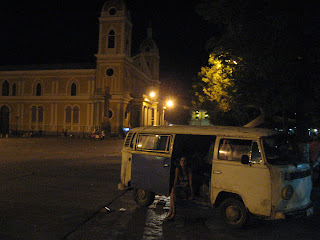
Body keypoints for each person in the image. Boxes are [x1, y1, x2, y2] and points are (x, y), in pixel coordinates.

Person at [164, 156, 194, 221]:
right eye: (181, 160)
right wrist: (174, 188)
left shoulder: (188, 170)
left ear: (186, 162)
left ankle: (172, 213)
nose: (182, 162)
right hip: (180, 188)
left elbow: (191, 183)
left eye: (184, 161)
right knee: (173, 192)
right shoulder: (178, 169)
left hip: (186, 189)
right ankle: (172, 213)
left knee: (173, 194)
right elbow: (176, 180)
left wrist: (192, 194)